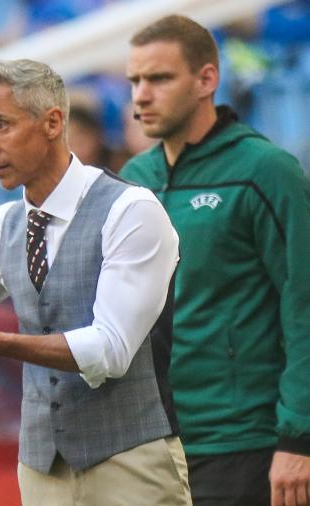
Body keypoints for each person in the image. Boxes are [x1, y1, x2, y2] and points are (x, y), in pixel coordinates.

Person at [0, 59, 190, 504]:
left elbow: (110, 350)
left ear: (52, 123)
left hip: (131, 463)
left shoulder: (131, 211)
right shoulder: (1, 224)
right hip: (40, 470)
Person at [121, 15, 310, 506]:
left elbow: (304, 306)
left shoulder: (265, 171)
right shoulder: (133, 178)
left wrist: (299, 439)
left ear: (207, 79)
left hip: (248, 441)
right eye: (134, 81)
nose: (141, 95)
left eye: (159, 78)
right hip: (155, 443)